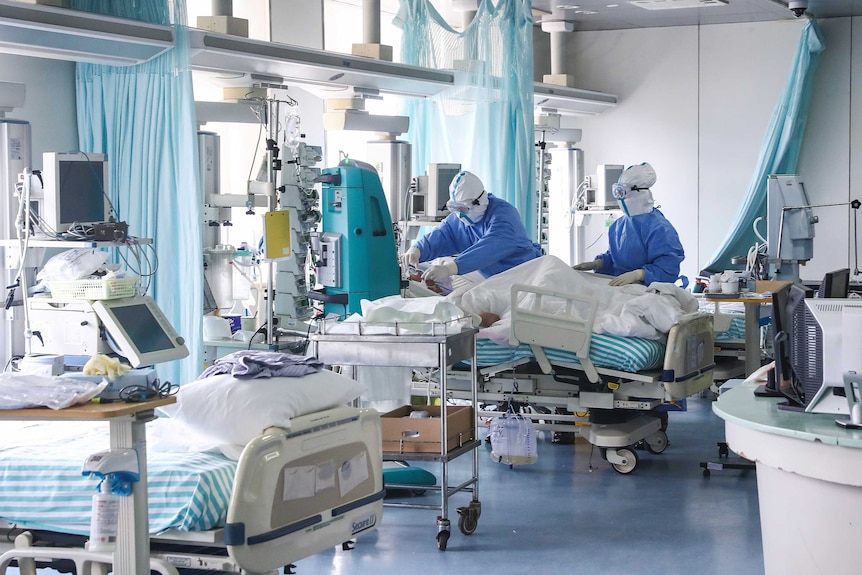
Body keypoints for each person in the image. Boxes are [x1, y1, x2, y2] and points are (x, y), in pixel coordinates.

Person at [401, 170, 542, 282]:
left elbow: (488, 249)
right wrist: (416, 250)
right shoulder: (461, 220)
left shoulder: (504, 217)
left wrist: (450, 268)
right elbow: (443, 234)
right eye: (455, 209)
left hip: (526, 276)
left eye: (463, 210)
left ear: (478, 202)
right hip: (494, 278)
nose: (460, 216)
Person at [572, 162, 685, 287]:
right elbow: (616, 258)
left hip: (648, 294)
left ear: (640, 192)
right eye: (616, 192)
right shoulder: (618, 226)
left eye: (622, 192)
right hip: (622, 292)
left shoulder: (660, 228)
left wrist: (639, 275)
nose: (619, 198)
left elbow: (668, 268)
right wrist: (599, 263)